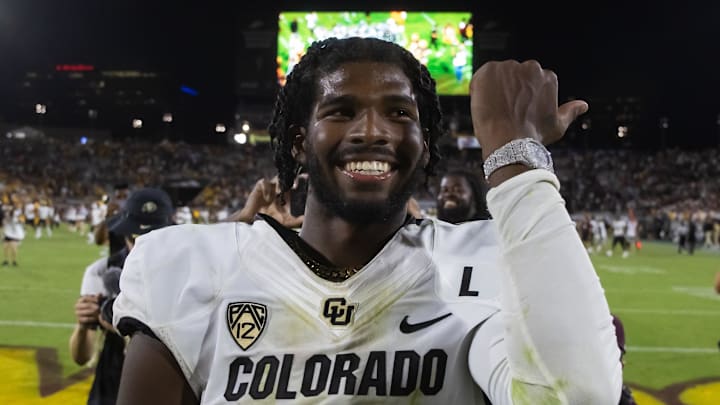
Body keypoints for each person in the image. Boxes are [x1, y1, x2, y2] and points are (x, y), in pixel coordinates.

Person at [113, 37, 621, 404]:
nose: (373, 130)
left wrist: (514, 152)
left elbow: (573, 396)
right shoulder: (197, 265)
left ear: (425, 149)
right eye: (341, 110)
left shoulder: (480, 265)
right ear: (297, 141)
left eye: (400, 113)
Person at [70, 188, 174, 405]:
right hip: (113, 382)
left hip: (169, 381)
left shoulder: (188, 273)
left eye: (152, 238)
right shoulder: (101, 271)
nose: (141, 246)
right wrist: (82, 326)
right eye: (135, 238)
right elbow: (81, 357)